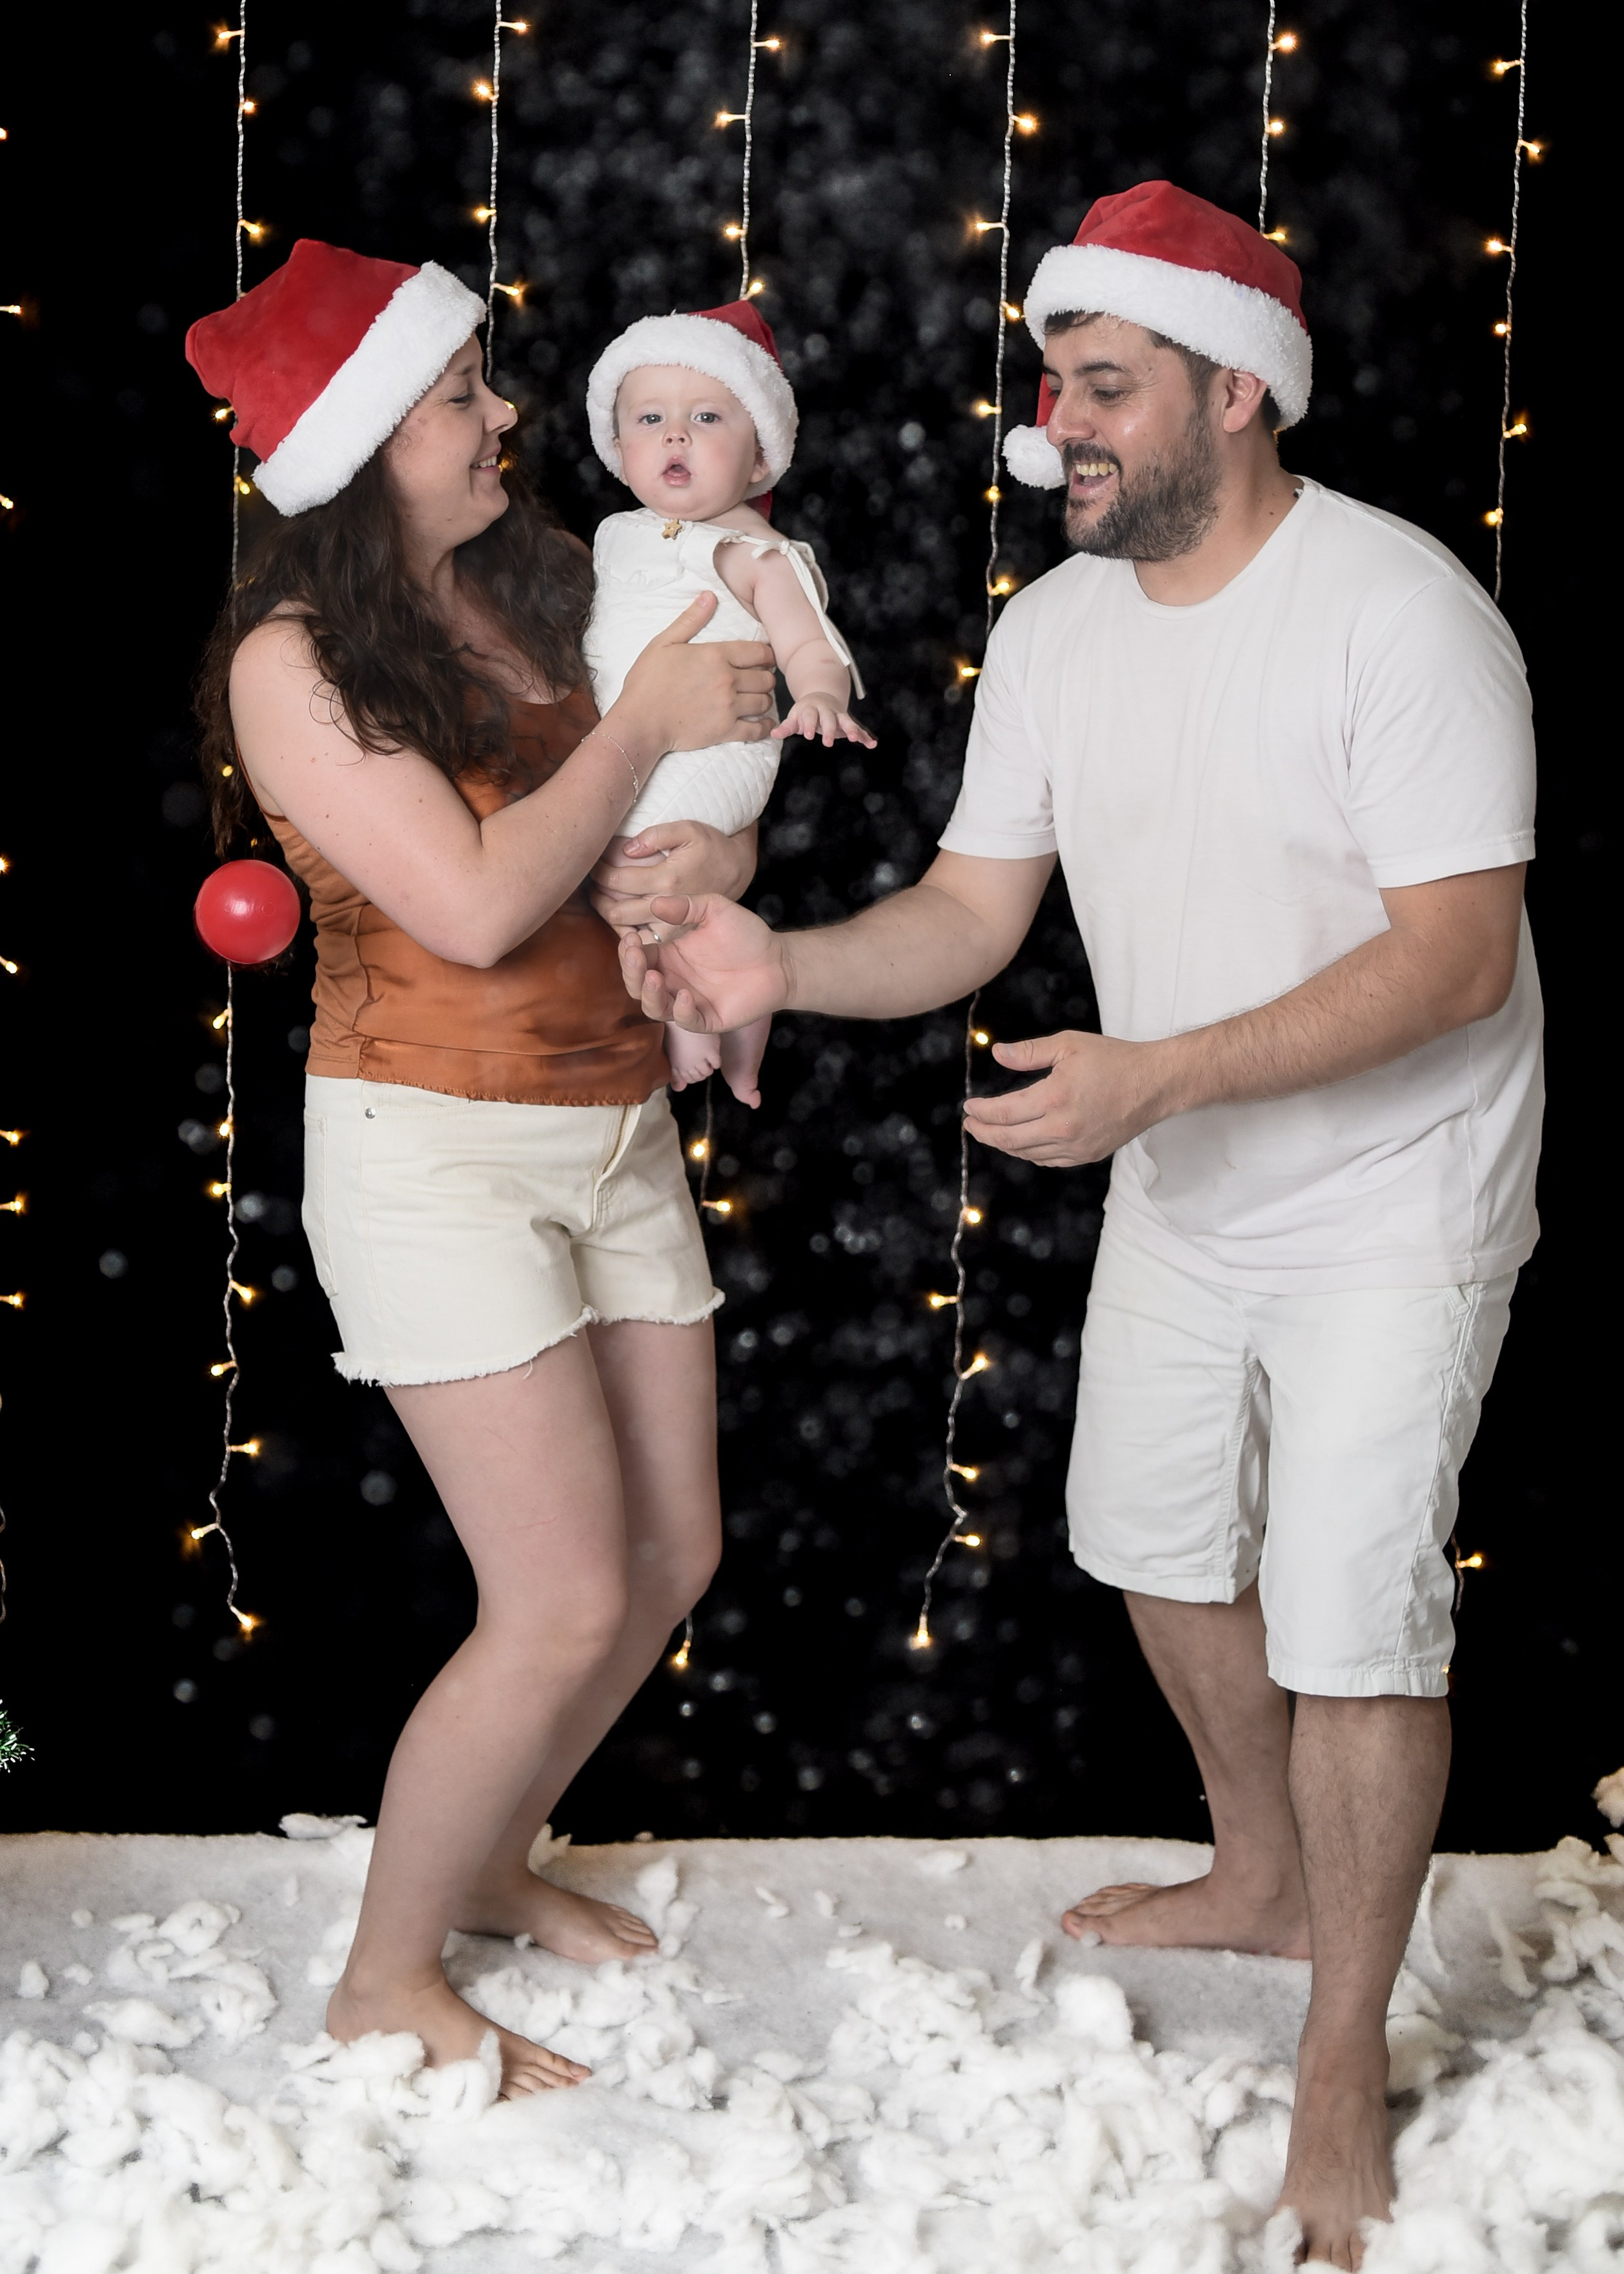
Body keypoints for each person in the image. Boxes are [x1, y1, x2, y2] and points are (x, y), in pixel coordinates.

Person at [609, 181, 1542, 2268]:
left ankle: (1333, 2064)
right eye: (1053, 386)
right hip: (1189, 1172)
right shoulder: (1050, 632)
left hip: (1397, 1189)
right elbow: (966, 911)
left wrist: (1152, 1076)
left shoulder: (1396, 612)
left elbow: (1454, 958)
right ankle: (1257, 1865)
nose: (1060, 424)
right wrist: (773, 963)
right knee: (1142, 1534)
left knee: (1352, 1619)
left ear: (1234, 389)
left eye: (1104, 386)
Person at [188, 238, 776, 2097]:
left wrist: (709, 873)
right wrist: (647, 728)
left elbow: (664, 823)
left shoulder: (527, 586)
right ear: (367, 443)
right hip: (431, 1150)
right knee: (560, 1599)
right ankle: (385, 1975)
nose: (508, 412)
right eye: (460, 396)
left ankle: (494, 1858)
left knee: (668, 1551)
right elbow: (469, 903)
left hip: (613, 1122)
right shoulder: (293, 660)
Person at [583, 298, 871, 1108]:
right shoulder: (612, 537)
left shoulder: (751, 549)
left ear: (756, 461)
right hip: (637, 735)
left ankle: (709, 1017)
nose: (674, 435)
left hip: (717, 747)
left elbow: (810, 641)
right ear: (620, 447)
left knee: (644, 857)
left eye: (705, 417)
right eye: (650, 418)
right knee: (621, 861)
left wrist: (817, 694)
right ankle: (736, 1012)